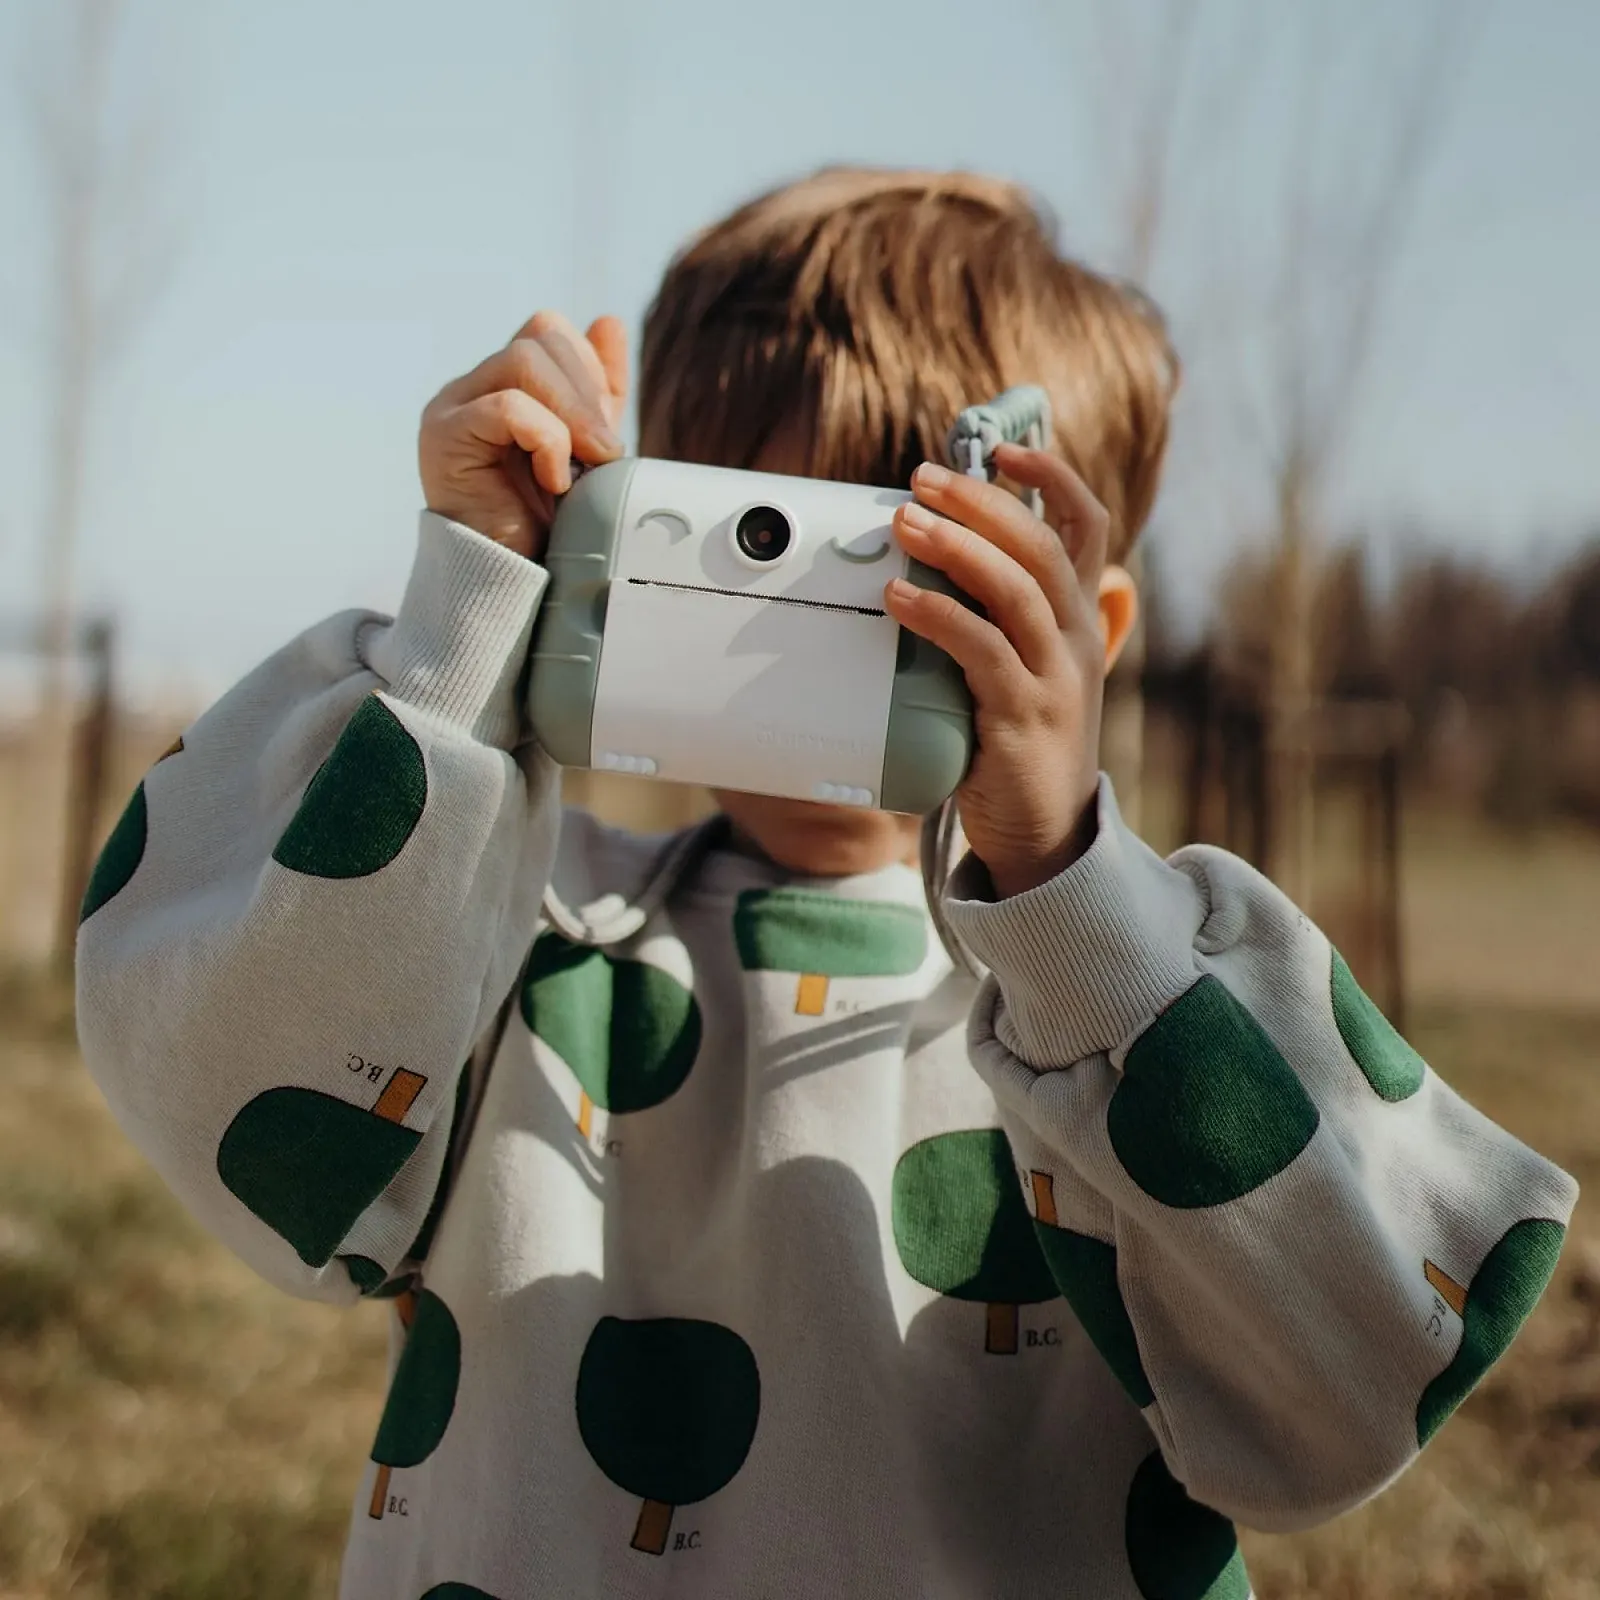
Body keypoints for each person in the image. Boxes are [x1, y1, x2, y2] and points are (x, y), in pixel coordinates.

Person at [75, 167, 1577, 1600]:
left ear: (1084, 627)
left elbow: (1356, 1385)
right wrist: (460, 643)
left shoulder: (1146, 998)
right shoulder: (500, 918)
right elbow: (243, 1119)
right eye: (735, 533)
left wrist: (1066, 885)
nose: (789, 614)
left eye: (892, 557)